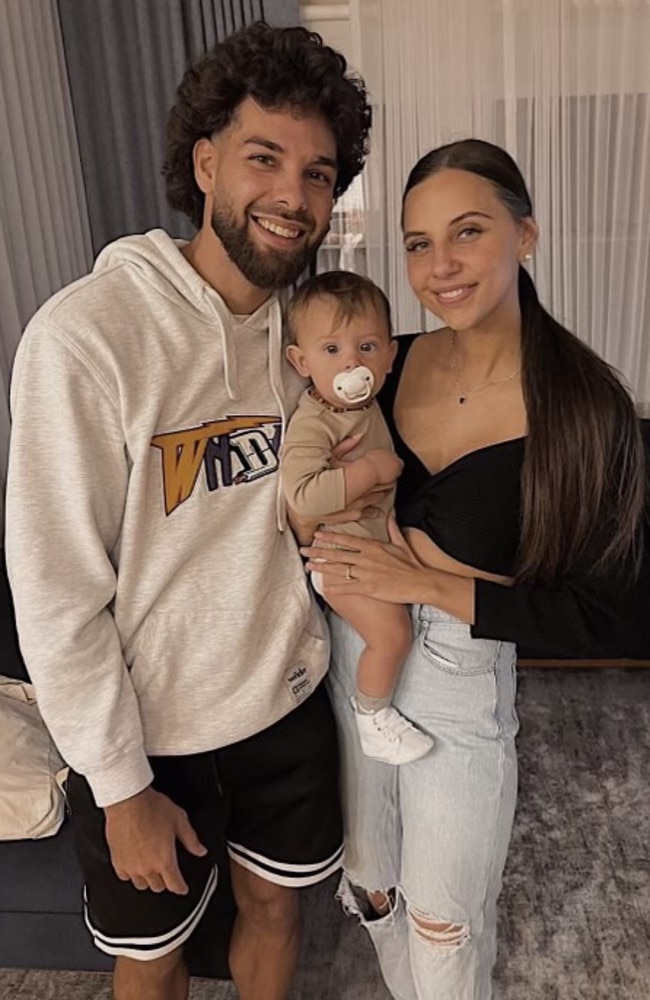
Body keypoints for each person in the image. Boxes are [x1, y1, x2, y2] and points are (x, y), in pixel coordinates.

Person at [5, 22, 373, 1000]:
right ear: (204, 162)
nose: (293, 196)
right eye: (264, 159)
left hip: (283, 707)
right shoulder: (86, 338)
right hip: (148, 735)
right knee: (149, 953)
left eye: (318, 173)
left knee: (276, 911)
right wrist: (120, 785)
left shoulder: (305, 343)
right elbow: (53, 592)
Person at [299, 139, 646, 999]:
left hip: (457, 683)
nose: (440, 265)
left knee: (443, 919)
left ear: (525, 235)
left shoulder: (583, 408)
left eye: (468, 232)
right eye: (417, 243)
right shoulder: (389, 363)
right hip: (352, 664)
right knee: (374, 887)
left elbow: (615, 617)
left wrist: (421, 583)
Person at [282, 270, 433, 765]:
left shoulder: (364, 405)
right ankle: (373, 716)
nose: (352, 362)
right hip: (339, 559)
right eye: (331, 351)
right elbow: (302, 496)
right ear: (301, 361)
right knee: (392, 635)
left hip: (366, 546)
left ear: (390, 355)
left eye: (366, 347)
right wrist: (369, 469)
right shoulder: (315, 421)